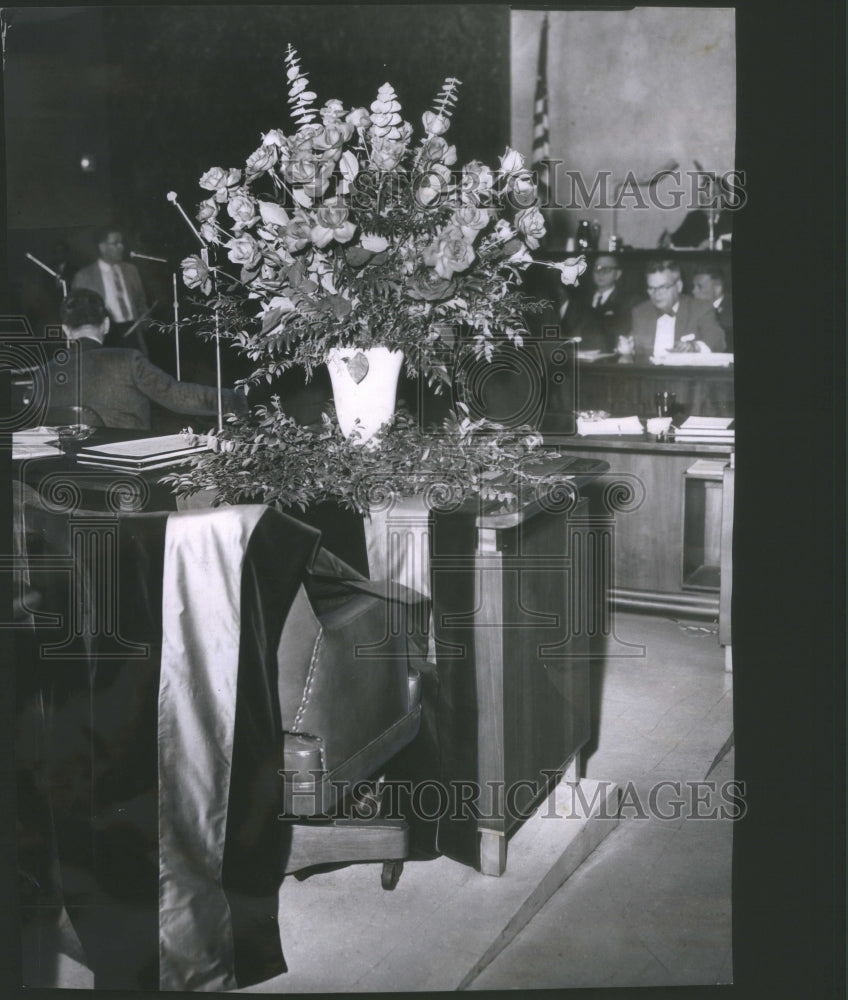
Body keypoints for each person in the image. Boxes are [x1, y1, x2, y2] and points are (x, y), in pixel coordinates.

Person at [47, 289, 246, 429]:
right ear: (106, 325)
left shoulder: (43, 374)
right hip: (130, 470)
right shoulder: (128, 361)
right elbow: (178, 396)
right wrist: (236, 400)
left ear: (66, 330)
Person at [619, 259, 726, 362]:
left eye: (663, 287)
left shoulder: (700, 309)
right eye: (651, 288)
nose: (656, 294)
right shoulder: (641, 312)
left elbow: (718, 339)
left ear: (679, 286)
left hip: (686, 378)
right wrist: (627, 351)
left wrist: (694, 347)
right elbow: (630, 347)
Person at [71, 226, 150, 351]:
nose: (121, 247)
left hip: (133, 332)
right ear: (102, 247)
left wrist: (146, 320)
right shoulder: (84, 276)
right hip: (107, 336)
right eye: (115, 243)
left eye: (121, 242)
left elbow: (141, 302)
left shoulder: (131, 270)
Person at [575, 254, 633, 351]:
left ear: (618, 274)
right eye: (597, 268)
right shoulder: (581, 299)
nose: (600, 273)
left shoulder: (626, 302)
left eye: (607, 269)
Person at [692, 264, 733, 351]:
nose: (694, 291)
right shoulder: (693, 308)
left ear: (717, 288)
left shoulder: (729, 312)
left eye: (699, 287)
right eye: (694, 286)